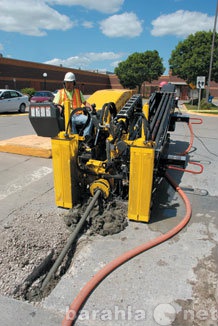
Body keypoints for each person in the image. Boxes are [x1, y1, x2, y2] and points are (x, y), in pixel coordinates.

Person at [53, 72, 93, 142]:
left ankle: (85, 138)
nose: (68, 85)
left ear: (73, 83)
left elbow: (85, 102)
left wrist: (90, 106)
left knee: (90, 119)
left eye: (70, 83)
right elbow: (55, 105)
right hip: (67, 117)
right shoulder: (60, 92)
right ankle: (75, 141)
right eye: (66, 82)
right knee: (71, 127)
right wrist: (59, 110)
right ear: (64, 83)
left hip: (78, 116)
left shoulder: (78, 92)